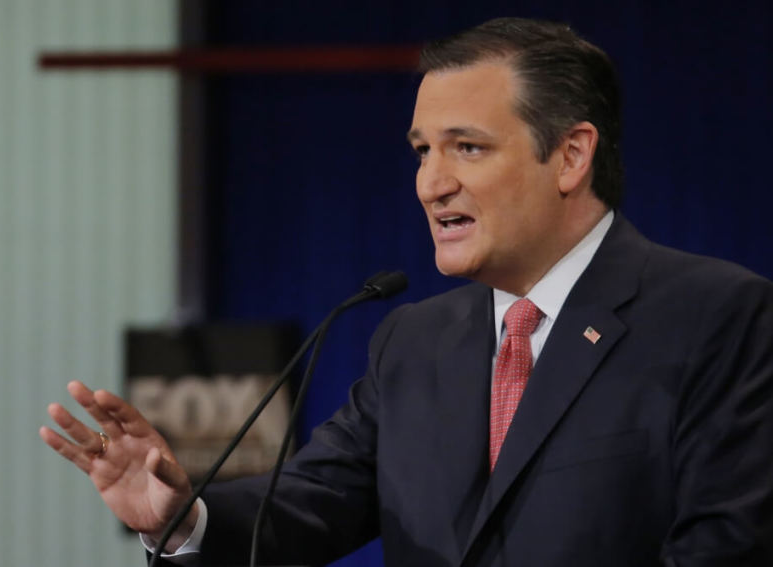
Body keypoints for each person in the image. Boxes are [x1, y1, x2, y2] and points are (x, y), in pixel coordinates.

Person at [39, 17, 773, 566]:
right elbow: (307, 506)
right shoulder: (413, 340)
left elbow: (726, 546)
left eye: (468, 147)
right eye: (423, 150)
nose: (431, 182)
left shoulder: (716, 316)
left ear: (572, 155)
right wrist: (182, 516)